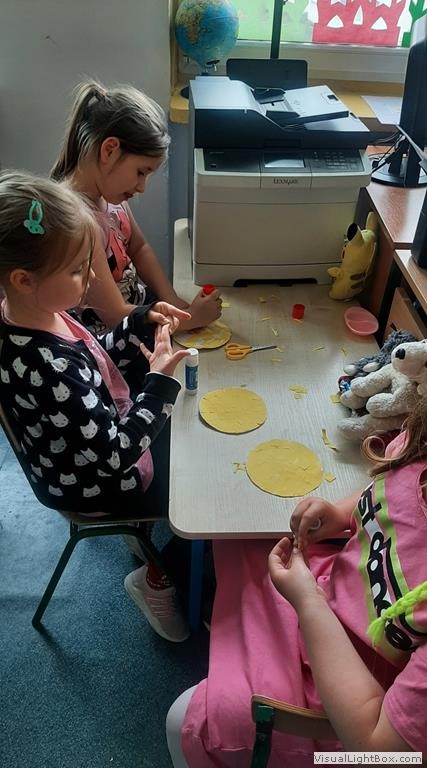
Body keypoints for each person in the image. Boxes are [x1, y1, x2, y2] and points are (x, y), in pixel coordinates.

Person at [0, 170, 194, 643]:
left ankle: (141, 533)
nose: (90, 277)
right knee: (200, 483)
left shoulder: (37, 313)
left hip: (90, 447)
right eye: (76, 270)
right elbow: (116, 456)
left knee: (189, 430)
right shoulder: (46, 368)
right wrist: (159, 384)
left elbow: (96, 353)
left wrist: (141, 321)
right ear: (23, 279)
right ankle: (155, 579)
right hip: (97, 482)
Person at [166, 416, 427, 765]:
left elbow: (378, 751)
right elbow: (390, 487)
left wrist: (308, 603)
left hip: (344, 696)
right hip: (325, 590)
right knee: (233, 530)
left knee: (182, 719)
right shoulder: (421, 440)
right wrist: (341, 514)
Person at [51, 79, 222, 334]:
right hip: (114, 338)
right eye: (141, 172)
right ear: (110, 150)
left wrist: (174, 302)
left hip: (140, 313)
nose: (142, 187)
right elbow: (114, 317)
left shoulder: (109, 196)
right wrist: (189, 320)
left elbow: (139, 249)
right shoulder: (76, 223)